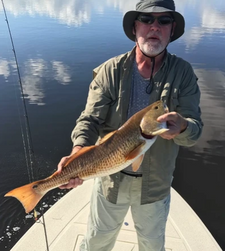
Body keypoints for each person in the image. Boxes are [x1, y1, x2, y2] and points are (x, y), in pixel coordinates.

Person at [58, 0, 203, 250]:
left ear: (172, 28)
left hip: (155, 186)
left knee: (152, 244)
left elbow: (194, 131)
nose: (154, 27)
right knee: (96, 241)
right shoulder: (109, 71)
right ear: (135, 26)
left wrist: (182, 127)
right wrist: (77, 151)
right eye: (147, 20)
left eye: (163, 20)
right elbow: (89, 119)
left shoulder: (184, 73)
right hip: (109, 179)